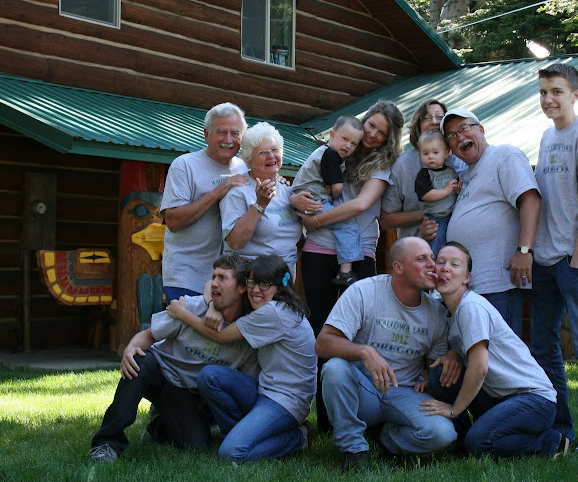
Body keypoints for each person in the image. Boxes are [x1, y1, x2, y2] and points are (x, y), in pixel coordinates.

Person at [295, 100, 405, 432]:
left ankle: (363, 416)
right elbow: (306, 185)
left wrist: (315, 220)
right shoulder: (339, 149)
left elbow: (360, 204)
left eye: (381, 132)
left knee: (359, 333)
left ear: (388, 139)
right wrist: (296, 201)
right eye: (370, 125)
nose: (372, 134)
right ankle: (327, 419)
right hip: (318, 250)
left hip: (359, 255)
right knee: (321, 330)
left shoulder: (382, 165)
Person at [89, 254, 256, 463]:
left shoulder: (249, 332)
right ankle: (107, 443)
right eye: (214, 276)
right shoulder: (190, 307)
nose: (214, 283)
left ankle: (159, 425)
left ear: (241, 288)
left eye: (223, 278)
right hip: (158, 370)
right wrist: (130, 348)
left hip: (183, 392)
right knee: (139, 361)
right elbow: (149, 336)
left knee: (197, 445)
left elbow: (245, 382)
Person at [316, 237, 460, 470]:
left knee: (443, 435)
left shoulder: (436, 313)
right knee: (334, 369)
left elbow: (432, 369)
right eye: (421, 259)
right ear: (398, 267)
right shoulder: (363, 292)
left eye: (432, 258)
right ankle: (354, 449)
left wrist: (446, 359)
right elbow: (323, 343)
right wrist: (365, 352)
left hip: (404, 393)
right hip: (363, 391)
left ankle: (385, 440)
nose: (432, 265)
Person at [421, 242, 570, 459]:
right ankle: (462, 444)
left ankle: (550, 442)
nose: (445, 268)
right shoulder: (450, 314)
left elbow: (479, 368)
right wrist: (452, 355)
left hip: (534, 400)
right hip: (500, 397)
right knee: (440, 374)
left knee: (479, 441)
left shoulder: (471, 307)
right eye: (441, 262)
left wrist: (454, 410)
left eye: (454, 264)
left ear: (466, 278)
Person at [528, 63, 578, 453]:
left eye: (557, 92)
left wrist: (577, 263)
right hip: (546, 260)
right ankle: (561, 428)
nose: (548, 99)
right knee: (543, 348)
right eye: (543, 92)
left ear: (575, 95)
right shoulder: (547, 137)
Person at [166, 255, 317, 462]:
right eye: (252, 282)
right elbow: (211, 284)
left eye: (265, 285)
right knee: (210, 376)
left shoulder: (274, 312)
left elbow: (220, 336)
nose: (256, 290)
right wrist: (213, 306)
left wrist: (182, 313)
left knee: (231, 454)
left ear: (281, 287)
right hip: (265, 389)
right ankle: (240, 435)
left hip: (287, 401)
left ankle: (299, 437)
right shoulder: (272, 305)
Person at [429, 108, 541, 337]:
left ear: (480, 129)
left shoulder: (504, 155)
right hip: (469, 288)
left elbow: (530, 200)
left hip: (498, 284)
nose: (460, 137)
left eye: (464, 128)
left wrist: (524, 251)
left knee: (499, 353)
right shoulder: (466, 175)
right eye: (452, 135)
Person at [160, 103, 250, 303]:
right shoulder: (184, 165)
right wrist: (218, 191)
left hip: (229, 278)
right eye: (221, 132)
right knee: (185, 323)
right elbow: (173, 221)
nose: (228, 140)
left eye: (235, 133)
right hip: (186, 275)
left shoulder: (245, 168)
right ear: (206, 135)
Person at [220, 122, 302, 278]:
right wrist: (260, 205)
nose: (271, 156)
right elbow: (235, 242)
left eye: (275, 149)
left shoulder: (287, 190)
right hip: (251, 280)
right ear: (249, 160)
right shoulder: (238, 192)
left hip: (284, 281)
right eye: (263, 152)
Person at [292, 115, 365, 287]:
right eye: (345, 139)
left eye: (353, 143)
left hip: (307, 200)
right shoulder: (331, 155)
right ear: (332, 135)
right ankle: (345, 273)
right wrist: (334, 191)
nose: (348, 145)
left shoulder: (324, 152)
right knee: (348, 225)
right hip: (312, 202)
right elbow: (337, 189)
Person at [380, 99, 467, 238]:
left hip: (458, 245)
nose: (434, 121)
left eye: (440, 117)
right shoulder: (402, 164)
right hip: (415, 245)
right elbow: (385, 219)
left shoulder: (463, 159)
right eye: (426, 118)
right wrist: (429, 213)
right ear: (418, 126)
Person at [414, 129, 460, 257]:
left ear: (446, 153)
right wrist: (446, 190)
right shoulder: (424, 174)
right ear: (420, 154)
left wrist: (457, 190)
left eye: (435, 152)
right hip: (436, 218)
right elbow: (425, 195)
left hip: (453, 215)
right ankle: (433, 265)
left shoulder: (451, 171)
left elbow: (456, 192)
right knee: (438, 245)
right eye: (426, 153)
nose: (430, 156)